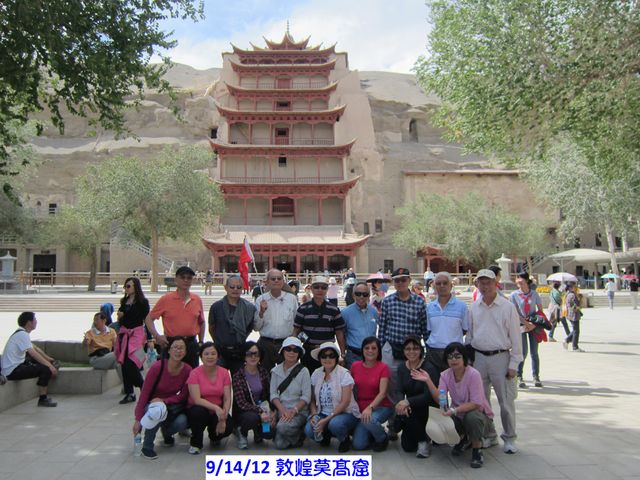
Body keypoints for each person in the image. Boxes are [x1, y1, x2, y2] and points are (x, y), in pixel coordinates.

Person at [411, 342, 494, 469]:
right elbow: (441, 399)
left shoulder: (474, 374)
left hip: (479, 416)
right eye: (450, 357)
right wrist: (428, 381)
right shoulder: (445, 375)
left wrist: (455, 410)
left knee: (472, 417)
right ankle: (464, 440)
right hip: (459, 415)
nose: (453, 360)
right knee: (445, 418)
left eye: (457, 356)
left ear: (464, 358)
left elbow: (476, 403)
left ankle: (477, 449)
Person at [466, 268, 522, 454]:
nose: (485, 286)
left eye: (488, 282)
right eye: (481, 283)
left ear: (495, 283)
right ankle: (489, 434)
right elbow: (470, 335)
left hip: (501, 357)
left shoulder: (507, 307)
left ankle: (510, 437)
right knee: (481, 401)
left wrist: (514, 364)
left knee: (506, 401)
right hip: (479, 358)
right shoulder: (474, 307)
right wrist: (469, 359)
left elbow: (516, 338)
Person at [378, 267, 428, 439]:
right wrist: (381, 349)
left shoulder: (419, 302)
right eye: (397, 280)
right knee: (392, 389)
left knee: (414, 387)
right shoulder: (387, 301)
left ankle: (414, 423)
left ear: (409, 280)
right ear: (393, 282)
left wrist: (424, 351)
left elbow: (424, 328)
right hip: (392, 348)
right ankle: (394, 424)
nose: (400, 283)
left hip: (412, 351)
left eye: (403, 279)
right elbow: (382, 328)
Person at [132, 337, 192, 459]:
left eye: (181, 348)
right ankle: (147, 446)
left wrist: (165, 401)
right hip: (152, 406)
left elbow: (183, 395)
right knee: (157, 410)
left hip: (171, 406)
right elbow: (144, 395)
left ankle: (166, 432)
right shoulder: (157, 367)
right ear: (169, 350)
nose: (178, 351)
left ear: (186, 352)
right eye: (175, 347)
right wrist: (138, 420)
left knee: (183, 421)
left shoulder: (187, 370)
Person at [146, 266, 205, 369]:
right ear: (176, 279)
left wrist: (201, 342)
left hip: (191, 344)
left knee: (192, 374)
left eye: (189, 278)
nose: (186, 280)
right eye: (183, 277)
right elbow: (149, 318)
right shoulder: (166, 299)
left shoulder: (197, 299)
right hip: (171, 344)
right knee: (169, 374)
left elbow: (202, 322)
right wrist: (156, 336)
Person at [305, 342, 360, 453]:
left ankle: (344, 439)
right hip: (322, 412)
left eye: (331, 355)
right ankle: (326, 435)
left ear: (336, 358)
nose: (327, 359)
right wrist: (314, 415)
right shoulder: (316, 373)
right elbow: (312, 399)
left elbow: (345, 402)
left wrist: (326, 420)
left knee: (335, 424)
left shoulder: (344, 374)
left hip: (345, 413)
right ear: (319, 358)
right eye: (324, 356)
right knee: (309, 430)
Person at [1, 312, 58, 407]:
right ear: (29, 322)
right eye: (35, 319)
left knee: (38, 362)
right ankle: (43, 399)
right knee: (45, 369)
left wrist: (49, 360)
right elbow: (33, 353)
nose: (36, 321)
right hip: (12, 371)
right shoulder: (22, 334)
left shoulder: (20, 333)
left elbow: (35, 349)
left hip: (13, 368)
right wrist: (50, 366)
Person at [393, 335, 437, 458]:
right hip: (411, 408)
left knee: (409, 410)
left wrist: (407, 402)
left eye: (415, 348)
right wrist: (401, 402)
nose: (411, 352)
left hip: (427, 407)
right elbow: (399, 390)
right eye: (408, 349)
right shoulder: (402, 367)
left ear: (421, 350)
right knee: (407, 447)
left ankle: (424, 441)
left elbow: (428, 396)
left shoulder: (428, 368)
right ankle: (421, 436)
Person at [186, 342, 233, 454]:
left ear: (218, 356)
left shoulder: (224, 373)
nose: (210, 357)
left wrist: (223, 417)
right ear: (201, 356)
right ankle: (196, 443)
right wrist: (216, 408)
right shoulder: (194, 373)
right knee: (198, 413)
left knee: (228, 426)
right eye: (206, 354)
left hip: (217, 410)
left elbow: (227, 398)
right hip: (199, 408)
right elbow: (197, 399)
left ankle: (214, 437)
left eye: (213, 353)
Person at [293, 276, 346, 372]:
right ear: (311, 288)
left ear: (327, 289)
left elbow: (339, 333)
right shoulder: (303, 308)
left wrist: (342, 354)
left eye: (323, 287)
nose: (320, 290)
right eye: (316, 287)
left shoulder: (334, 309)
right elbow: (296, 330)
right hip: (308, 352)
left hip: (328, 353)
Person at [350, 337, 393, 451]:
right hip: (361, 407)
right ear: (362, 350)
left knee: (370, 420)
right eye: (367, 348)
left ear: (378, 351)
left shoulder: (383, 367)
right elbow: (349, 386)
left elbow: (383, 393)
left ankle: (382, 438)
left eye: (374, 348)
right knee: (358, 445)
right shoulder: (355, 366)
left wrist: (370, 407)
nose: (370, 351)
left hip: (380, 406)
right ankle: (371, 433)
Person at [425, 272, 469, 383]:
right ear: (434, 286)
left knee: (457, 387)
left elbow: (465, 329)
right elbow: (429, 330)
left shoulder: (462, 306)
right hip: (433, 353)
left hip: (454, 354)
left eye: (445, 283)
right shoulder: (429, 307)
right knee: (435, 388)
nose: (442, 286)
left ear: (451, 285)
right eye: (438, 283)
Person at [269, 337, 311, 450]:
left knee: (282, 427)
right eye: (288, 349)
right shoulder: (275, 371)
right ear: (283, 351)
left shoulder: (304, 371)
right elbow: (273, 394)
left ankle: (299, 431)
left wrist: (294, 411)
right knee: (279, 444)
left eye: (295, 350)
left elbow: (306, 396)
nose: (291, 352)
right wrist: (282, 410)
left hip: (299, 412)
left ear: (299, 353)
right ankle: (295, 436)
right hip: (281, 411)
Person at [208, 275, 256, 373]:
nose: (235, 289)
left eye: (239, 287)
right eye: (232, 287)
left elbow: (249, 328)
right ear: (226, 287)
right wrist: (220, 342)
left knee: (239, 380)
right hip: (220, 351)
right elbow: (211, 327)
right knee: (219, 380)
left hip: (239, 351)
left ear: (242, 288)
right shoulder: (216, 307)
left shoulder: (249, 308)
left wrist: (240, 337)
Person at [254, 269, 298, 371]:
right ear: (267, 282)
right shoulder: (261, 299)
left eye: (279, 278)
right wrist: (261, 312)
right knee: (265, 375)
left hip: (286, 344)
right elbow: (256, 327)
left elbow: (296, 322)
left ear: (283, 281)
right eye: (273, 279)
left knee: (287, 375)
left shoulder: (291, 299)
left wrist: (293, 340)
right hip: (266, 344)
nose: (276, 281)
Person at [231, 341, 273, 449]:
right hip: (245, 412)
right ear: (244, 356)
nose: (253, 357)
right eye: (249, 354)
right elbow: (241, 403)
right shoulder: (238, 376)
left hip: (263, 408)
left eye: (256, 354)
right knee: (251, 419)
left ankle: (258, 431)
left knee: (269, 433)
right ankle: (242, 431)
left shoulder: (263, 372)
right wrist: (260, 412)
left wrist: (272, 411)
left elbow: (269, 394)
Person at [115, 276, 150, 404]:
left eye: (128, 286)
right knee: (124, 363)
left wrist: (150, 339)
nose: (126, 288)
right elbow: (121, 319)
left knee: (131, 362)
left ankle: (143, 385)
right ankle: (129, 392)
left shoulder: (142, 302)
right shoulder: (124, 301)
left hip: (136, 334)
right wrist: (120, 316)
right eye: (125, 286)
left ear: (136, 287)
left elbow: (147, 320)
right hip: (124, 334)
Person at [510, 273, 545, 389]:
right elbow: (514, 312)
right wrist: (526, 323)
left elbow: (540, 310)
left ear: (526, 281)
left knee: (534, 352)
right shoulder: (514, 295)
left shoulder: (534, 294)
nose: (519, 283)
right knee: (523, 352)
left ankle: (536, 376)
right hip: (520, 325)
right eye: (517, 281)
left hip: (534, 325)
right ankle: (519, 376)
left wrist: (533, 324)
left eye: (521, 281)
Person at [341, 282, 379, 369]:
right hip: (353, 355)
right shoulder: (345, 313)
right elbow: (341, 334)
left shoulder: (374, 311)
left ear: (369, 296)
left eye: (365, 294)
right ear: (353, 295)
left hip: (372, 355)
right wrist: (342, 354)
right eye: (358, 294)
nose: (361, 297)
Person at [564, 283, 584, 352]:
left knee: (575, 330)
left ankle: (567, 340)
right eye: (574, 287)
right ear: (571, 288)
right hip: (574, 315)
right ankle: (574, 346)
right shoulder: (572, 295)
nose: (576, 288)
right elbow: (577, 305)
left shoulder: (567, 294)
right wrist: (580, 299)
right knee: (576, 331)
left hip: (570, 314)